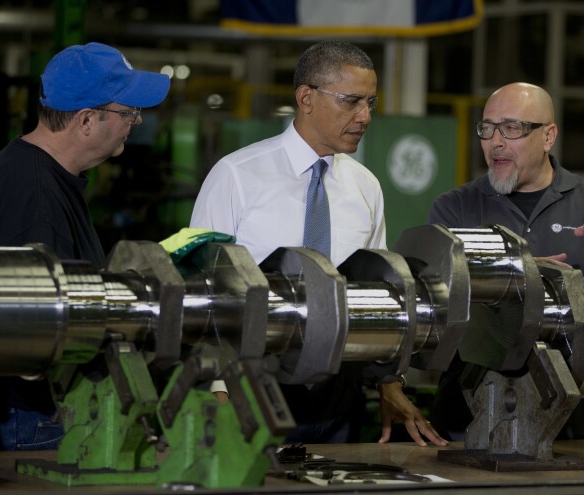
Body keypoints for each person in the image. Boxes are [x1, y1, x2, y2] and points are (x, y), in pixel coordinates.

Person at [190, 40, 446, 447]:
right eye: (351, 101)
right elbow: (205, 288)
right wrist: (217, 386)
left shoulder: (365, 187)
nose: (364, 117)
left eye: (371, 103)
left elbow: (377, 295)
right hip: (253, 385)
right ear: (306, 98)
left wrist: (387, 382)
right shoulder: (236, 176)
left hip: (338, 391)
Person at [428, 82, 584, 440]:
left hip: (570, 424)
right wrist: (517, 273)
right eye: (487, 128)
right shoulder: (456, 208)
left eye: (512, 128)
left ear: (548, 136)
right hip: (467, 416)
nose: (495, 142)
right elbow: (435, 300)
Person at [0, 42, 170, 450]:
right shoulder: (35, 199)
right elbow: (38, 332)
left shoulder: (36, 172)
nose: (135, 122)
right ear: (87, 120)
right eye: (129, 112)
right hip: (34, 417)